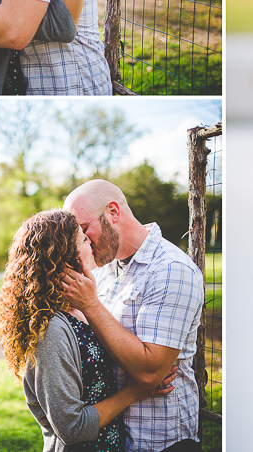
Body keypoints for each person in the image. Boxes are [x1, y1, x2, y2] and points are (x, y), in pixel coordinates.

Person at [0, 209, 173, 451]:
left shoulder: (79, 310)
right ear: (66, 256)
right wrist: (134, 392)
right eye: (85, 240)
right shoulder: (52, 331)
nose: (92, 244)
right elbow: (72, 428)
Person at [60, 180, 205, 452]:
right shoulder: (103, 270)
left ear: (113, 212)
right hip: (113, 438)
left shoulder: (171, 270)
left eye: (83, 229)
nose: (83, 240)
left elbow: (151, 373)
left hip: (161, 440)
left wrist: (91, 305)